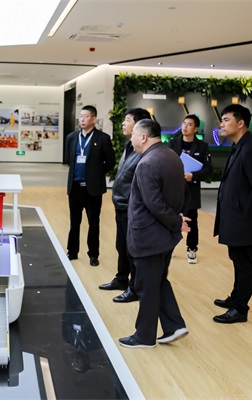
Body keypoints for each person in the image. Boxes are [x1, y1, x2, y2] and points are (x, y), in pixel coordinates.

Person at [118, 119, 191, 348]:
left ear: (143, 137)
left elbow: (154, 204)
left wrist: (176, 222)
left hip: (149, 236)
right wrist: (177, 219)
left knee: (146, 287)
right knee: (158, 280)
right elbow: (178, 195)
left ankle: (144, 336)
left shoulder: (147, 163)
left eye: (133, 134)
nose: (131, 138)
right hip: (164, 236)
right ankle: (174, 325)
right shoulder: (172, 156)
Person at [213, 104, 252, 324]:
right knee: (237, 258)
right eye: (222, 120)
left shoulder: (250, 149)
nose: (221, 124)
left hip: (243, 217)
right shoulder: (240, 146)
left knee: (244, 263)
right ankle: (236, 297)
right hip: (236, 215)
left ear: (241, 123)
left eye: (226, 120)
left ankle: (240, 309)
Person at [99, 108, 151, 303]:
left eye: (127, 120)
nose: (123, 123)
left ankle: (134, 288)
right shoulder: (130, 146)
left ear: (139, 125)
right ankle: (121, 279)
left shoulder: (144, 151)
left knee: (132, 250)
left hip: (132, 207)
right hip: (121, 204)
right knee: (121, 246)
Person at [65, 105, 116, 266]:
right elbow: (68, 159)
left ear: (93, 119)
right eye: (80, 116)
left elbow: (111, 161)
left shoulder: (103, 138)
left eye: (86, 116)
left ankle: (93, 254)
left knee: (94, 223)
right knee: (74, 222)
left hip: (92, 189)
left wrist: (97, 173)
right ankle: (72, 251)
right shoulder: (72, 137)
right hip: (75, 187)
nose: (82, 119)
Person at [168, 114, 212, 264]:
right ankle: (170, 246)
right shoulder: (173, 143)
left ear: (196, 128)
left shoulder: (202, 146)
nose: (185, 127)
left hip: (191, 189)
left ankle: (192, 249)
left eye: (189, 124)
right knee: (171, 218)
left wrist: (193, 175)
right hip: (174, 189)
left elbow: (208, 168)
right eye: (184, 123)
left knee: (192, 221)